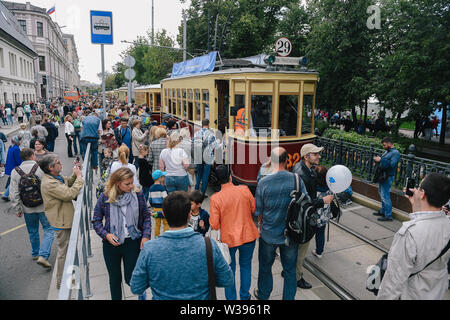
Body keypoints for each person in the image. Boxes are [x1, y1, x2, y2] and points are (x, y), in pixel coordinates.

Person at [130, 191, 233, 300]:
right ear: (189, 214)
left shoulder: (149, 249)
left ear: (164, 215)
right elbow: (227, 279)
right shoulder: (208, 245)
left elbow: (136, 287)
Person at [377, 173, 450, 300]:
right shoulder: (447, 223)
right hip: (435, 292)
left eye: (419, 187)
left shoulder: (409, 234)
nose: (415, 189)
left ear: (422, 194)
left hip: (412, 294)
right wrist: (416, 205)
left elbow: (393, 282)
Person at [253, 147, 308, 300]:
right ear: (287, 160)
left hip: (269, 234)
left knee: (265, 268)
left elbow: (258, 210)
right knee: (290, 270)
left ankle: (263, 295)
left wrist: (260, 225)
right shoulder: (297, 179)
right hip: (291, 234)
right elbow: (306, 202)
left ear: (271, 160)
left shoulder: (263, 182)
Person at [92, 168, 151, 300]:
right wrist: (106, 235)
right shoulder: (105, 197)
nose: (131, 186)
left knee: (133, 278)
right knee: (114, 280)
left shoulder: (138, 194)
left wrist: (146, 236)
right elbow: (96, 220)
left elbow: (146, 216)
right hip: (111, 244)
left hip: (132, 241)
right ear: (118, 183)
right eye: (127, 184)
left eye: (132, 183)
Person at [209, 165, 258, 300]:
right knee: (246, 266)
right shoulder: (244, 189)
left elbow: (214, 224)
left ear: (218, 181)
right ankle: (244, 296)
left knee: (230, 269)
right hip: (248, 235)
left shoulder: (215, 198)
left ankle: (231, 299)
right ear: (230, 176)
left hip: (228, 239)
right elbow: (254, 209)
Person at [39, 154, 84, 290]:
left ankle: (70, 280)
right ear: (50, 168)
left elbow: (68, 182)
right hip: (61, 222)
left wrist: (75, 173)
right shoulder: (49, 183)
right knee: (65, 253)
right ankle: (65, 283)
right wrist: (80, 178)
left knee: (68, 251)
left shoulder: (55, 177)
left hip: (64, 219)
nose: (61, 164)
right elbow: (68, 194)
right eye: (58, 163)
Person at [292, 144, 334, 289]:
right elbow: (306, 202)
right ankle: (296, 277)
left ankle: (290, 272)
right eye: (315, 154)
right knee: (301, 251)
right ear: (306, 156)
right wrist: (323, 200)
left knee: (296, 249)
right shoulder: (304, 174)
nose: (319, 156)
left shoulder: (302, 168)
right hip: (303, 219)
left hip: (300, 218)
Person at [10, 148, 54, 267]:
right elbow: (48, 186)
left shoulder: (15, 171)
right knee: (49, 230)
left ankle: (35, 252)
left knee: (32, 231)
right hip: (43, 206)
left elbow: (13, 193)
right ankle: (43, 255)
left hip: (27, 207)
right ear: (32, 156)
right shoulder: (40, 168)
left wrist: (18, 209)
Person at [373, 137, 401, 222]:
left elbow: (392, 165)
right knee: (381, 193)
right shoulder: (387, 151)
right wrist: (378, 161)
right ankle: (383, 211)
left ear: (389, 143)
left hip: (388, 176)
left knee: (385, 195)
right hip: (382, 176)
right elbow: (384, 162)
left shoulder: (395, 153)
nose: (383, 146)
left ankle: (388, 216)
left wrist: (381, 159)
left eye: (384, 145)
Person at [193, 119, 221, 196]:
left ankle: (196, 191)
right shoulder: (211, 134)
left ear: (202, 124)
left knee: (199, 175)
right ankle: (202, 194)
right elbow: (216, 146)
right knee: (205, 176)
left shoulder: (196, 134)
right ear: (208, 124)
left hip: (199, 157)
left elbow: (193, 144)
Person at [311, 166, 333, 258]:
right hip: (324, 216)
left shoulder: (312, 188)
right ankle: (319, 252)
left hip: (313, 216)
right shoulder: (331, 187)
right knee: (320, 234)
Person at [149, 170, 169, 237]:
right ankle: (165, 236)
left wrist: (153, 206)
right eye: (163, 177)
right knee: (166, 223)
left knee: (157, 224)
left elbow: (150, 199)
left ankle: (156, 237)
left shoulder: (151, 188)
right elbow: (166, 199)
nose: (164, 178)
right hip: (163, 209)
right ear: (160, 178)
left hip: (155, 209)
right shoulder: (162, 188)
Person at [2, 136, 22, 202]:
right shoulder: (16, 148)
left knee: (12, 181)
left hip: (10, 167)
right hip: (14, 167)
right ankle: (5, 194)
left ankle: (6, 194)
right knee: (13, 182)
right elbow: (18, 159)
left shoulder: (11, 147)